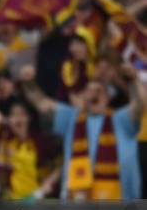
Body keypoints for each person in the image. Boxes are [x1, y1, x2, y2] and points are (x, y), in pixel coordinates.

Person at [20, 63, 145, 200]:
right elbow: (42, 103)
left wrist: (133, 80)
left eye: (99, 91)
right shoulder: (71, 118)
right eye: (90, 91)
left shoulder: (121, 119)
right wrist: (28, 82)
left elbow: (140, 105)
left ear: (107, 98)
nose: (94, 95)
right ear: (84, 97)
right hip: (78, 206)